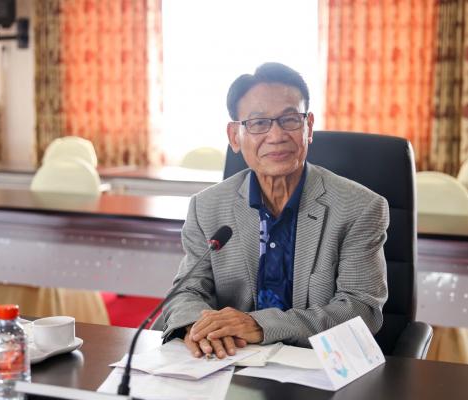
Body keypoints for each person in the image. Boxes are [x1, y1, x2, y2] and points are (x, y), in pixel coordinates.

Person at [153, 62, 388, 359]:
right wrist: (196, 328)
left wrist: (260, 325)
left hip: (318, 362)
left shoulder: (359, 207)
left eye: (289, 120)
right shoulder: (207, 207)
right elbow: (188, 290)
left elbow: (361, 310)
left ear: (309, 127)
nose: (276, 136)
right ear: (235, 136)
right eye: (258, 123)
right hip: (230, 359)